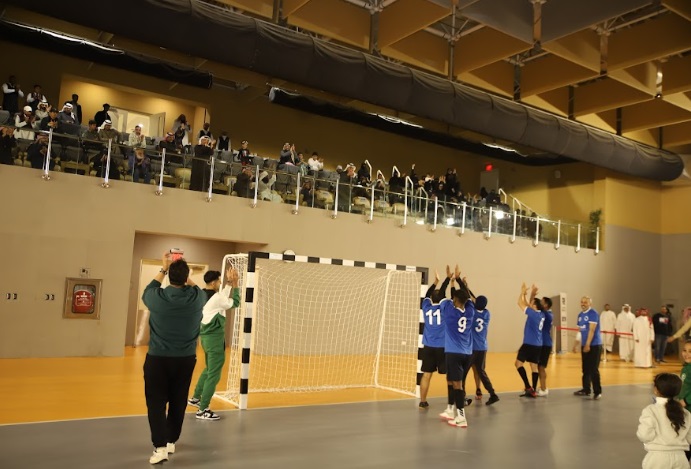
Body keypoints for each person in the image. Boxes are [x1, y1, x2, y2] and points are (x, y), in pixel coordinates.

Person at [141, 252, 206, 464]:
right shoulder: (197, 298)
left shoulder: (156, 298)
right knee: (178, 401)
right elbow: (196, 288)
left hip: (158, 359)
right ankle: (171, 440)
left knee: (156, 403)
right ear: (186, 277)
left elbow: (149, 288)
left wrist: (164, 268)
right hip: (185, 360)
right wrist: (184, 275)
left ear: (169, 276)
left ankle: (160, 447)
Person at [188, 268, 240, 420]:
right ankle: (203, 409)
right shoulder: (216, 298)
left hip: (205, 338)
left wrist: (229, 282)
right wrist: (236, 284)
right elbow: (235, 302)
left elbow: (222, 297)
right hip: (214, 339)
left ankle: (196, 398)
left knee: (209, 369)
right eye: (219, 281)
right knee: (214, 374)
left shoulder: (203, 294)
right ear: (213, 283)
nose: (220, 283)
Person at [438, 265, 474, 428]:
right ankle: (452, 410)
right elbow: (467, 296)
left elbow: (440, 295)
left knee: (457, 385)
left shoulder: (449, 312)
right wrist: (458, 280)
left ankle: (461, 417)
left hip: (454, 353)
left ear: (454, 300)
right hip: (467, 353)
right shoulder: (470, 311)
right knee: (454, 382)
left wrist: (448, 279)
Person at [636, 373, 691, 469]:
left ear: (656, 390)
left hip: (657, 458)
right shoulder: (686, 413)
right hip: (681, 459)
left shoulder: (650, 410)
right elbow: (689, 438)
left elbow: (644, 435)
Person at [418, 269, 450, 409]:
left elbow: (426, 295)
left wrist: (435, 282)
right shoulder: (444, 308)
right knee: (450, 376)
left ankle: (423, 401)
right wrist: (448, 280)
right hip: (442, 347)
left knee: (426, 375)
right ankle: (454, 401)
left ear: (431, 298)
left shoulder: (426, 307)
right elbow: (443, 295)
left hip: (428, 347)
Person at [467, 294, 500, 405]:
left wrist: (465, 287)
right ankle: (492, 394)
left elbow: (471, 300)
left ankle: (461, 396)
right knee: (481, 371)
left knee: (463, 372)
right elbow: (475, 300)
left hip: (472, 348)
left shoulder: (472, 312)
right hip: (482, 347)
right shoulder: (487, 313)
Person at [515, 283, 544, 398]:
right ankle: (534, 390)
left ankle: (528, 387)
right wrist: (530, 295)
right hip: (538, 345)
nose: (529, 304)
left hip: (529, 344)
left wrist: (522, 293)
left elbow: (520, 303)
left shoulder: (532, 314)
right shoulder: (541, 314)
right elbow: (527, 304)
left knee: (518, 364)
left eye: (532, 303)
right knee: (534, 367)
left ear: (535, 306)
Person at [573, 296, 602, 399]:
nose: (583, 304)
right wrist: (576, 344)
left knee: (593, 369)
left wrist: (588, 344)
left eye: (585, 302)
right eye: (582, 302)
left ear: (590, 303)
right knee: (585, 369)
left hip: (594, 345)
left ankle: (597, 392)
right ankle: (586, 389)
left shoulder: (593, 313)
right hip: (584, 345)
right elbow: (580, 331)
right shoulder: (580, 315)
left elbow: (592, 330)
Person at [537, 297, 553, 397]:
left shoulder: (547, 314)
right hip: (542, 343)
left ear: (546, 305)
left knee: (541, 367)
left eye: (541, 302)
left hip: (545, 344)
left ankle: (544, 388)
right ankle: (542, 386)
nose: (539, 303)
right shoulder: (546, 313)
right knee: (539, 367)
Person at [678, 341, 691, 408]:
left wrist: (686, 401)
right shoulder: (686, 367)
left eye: (690, 351)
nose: (686, 354)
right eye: (684, 350)